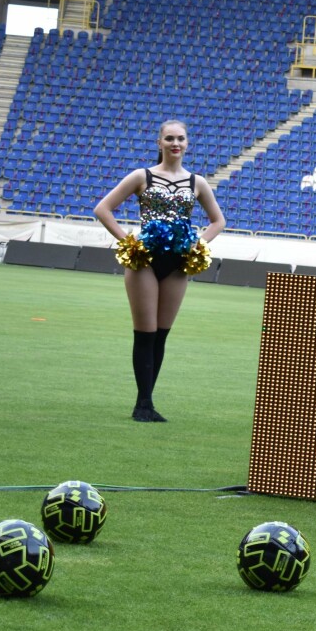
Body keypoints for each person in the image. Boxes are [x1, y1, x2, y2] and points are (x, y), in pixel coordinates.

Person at [95, 120, 225, 421]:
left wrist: (199, 243)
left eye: (180, 138)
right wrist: (129, 241)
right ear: (159, 142)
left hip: (178, 265)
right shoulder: (142, 176)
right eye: (169, 138)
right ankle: (142, 405)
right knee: (145, 333)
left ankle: (148, 402)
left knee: (161, 335)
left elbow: (218, 220)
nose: (175, 143)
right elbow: (103, 208)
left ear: (187, 143)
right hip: (144, 261)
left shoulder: (197, 182)